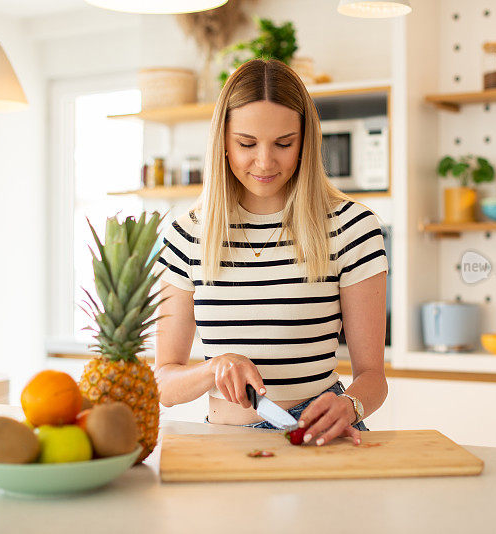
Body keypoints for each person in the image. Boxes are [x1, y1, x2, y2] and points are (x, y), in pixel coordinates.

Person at [154, 58, 388, 447]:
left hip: (318, 439)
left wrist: (350, 406)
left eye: (283, 143)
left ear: (305, 142)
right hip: (223, 443)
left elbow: (373, 378)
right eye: (247, 144)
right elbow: (163, 383)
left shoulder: (352, 227)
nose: (264, 162)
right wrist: (213, 369)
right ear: (223, 143)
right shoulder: (187, 236)